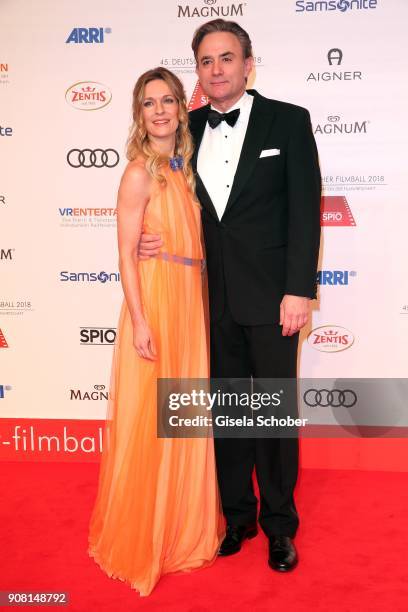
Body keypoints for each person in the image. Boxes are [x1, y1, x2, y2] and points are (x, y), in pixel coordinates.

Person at [139, 19, 321, 573]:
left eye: (226, 58)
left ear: (248, 63)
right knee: (224, 415)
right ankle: (236, 517)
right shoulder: (185, 128)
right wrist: (147, 236)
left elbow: (304, 211)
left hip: (272, 301)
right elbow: (160, 194)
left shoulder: (288, 122)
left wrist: (299, 291)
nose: (215, 70)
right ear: (196, 69)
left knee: (270, 415)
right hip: (203, 299)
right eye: (205, 61)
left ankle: (279, 526)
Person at [88, 67, 224, 597]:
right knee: (154, 421)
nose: (161, 110)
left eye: (169, 100)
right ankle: (148, 536)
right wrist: (141, 320)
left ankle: (182, 527)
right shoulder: (139, 171)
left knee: (184, 415)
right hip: (158, 300)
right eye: (150, 103)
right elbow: (125, 252)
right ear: (138, 113)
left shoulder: (185, 165)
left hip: (191, 298)